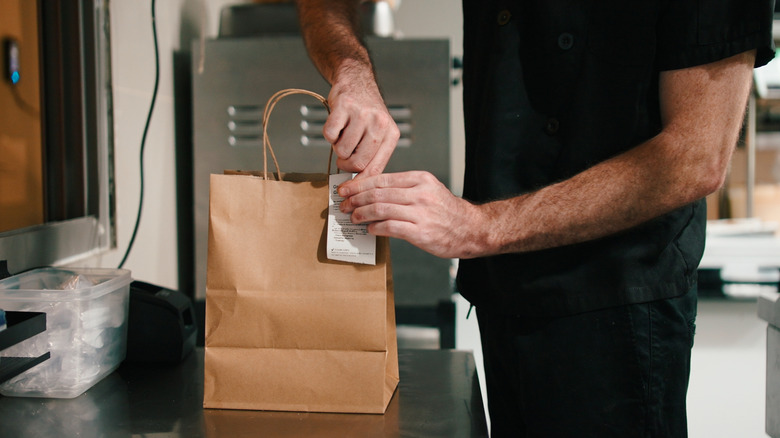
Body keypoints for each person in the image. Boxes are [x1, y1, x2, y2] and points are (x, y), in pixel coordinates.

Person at [296, 1, 776, 436]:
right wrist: (352, 70)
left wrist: (480, 228)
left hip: (618, 318)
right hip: (501, 300)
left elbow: (696, 155)